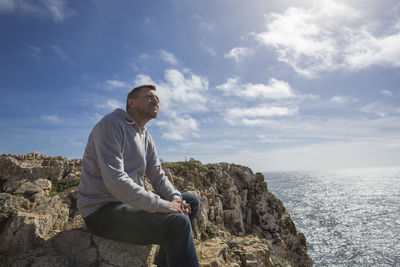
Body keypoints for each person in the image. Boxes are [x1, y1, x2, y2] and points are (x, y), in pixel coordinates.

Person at [77, 84, 200, 267]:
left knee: (190, 202)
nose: (156, 100)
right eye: (150, 97)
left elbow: (158, 176)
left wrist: (175, 199)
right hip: (102, 210)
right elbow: (116, 181)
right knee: (178, 222)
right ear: (131, 102)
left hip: (127, 203)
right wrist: (165, 206)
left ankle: (165, 262)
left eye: (157, 98)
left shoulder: (145, 136)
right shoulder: (111, 124)